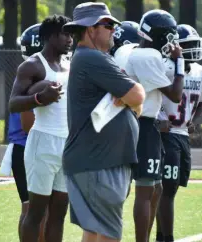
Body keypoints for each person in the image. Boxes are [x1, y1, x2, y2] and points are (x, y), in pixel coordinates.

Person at [62, 2, 145, 242]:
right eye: (107, 24)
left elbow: (134, 100)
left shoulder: (88, 58)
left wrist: (132, 99)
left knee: (94, 231)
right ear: (90, 28)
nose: (113, 30)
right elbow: (138, 95)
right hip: (99, 162)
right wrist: (133, 98)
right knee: (108, 233)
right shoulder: (92, 58)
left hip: (94, 160)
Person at [117, 9, 185, 242]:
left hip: (133, 122)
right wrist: (180, 63)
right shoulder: (148, 56)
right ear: (159, 35)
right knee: (146, 190)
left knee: (154, 189)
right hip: (142, 125)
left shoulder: (128, 50)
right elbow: (176, 95)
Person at [9, 15, 73, 242]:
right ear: (49, 36)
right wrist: (39, 97)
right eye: (65, 33)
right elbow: (13, 103)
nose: (69, 38)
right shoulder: (33, 65)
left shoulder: (69, 63)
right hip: (42, 142)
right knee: (36, 213)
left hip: (66, 144)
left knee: (59, 214)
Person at [156, 24, 202, 242]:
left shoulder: (201, 72)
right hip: (165, 135)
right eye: (187, 45)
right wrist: (157, 121)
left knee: (172, 189)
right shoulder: (164, 68)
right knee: (167, 189)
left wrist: (194, 122)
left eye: (194, 45)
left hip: (182, 136)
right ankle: (166, 237)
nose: (193, 49)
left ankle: (161, 235)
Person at [0, 23, 46, 242]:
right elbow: (29, 124)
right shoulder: (33, 75)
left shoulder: (26, 73)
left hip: (22, 147)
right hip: (29, 147)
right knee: (35, 211)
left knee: (28, 208)